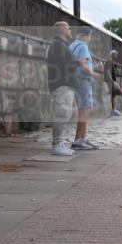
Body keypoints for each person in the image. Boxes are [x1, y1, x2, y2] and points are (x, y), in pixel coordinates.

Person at [46, 21, 79, 156]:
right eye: (69, 28)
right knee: (61, 114)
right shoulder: (58, 45)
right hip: (61, 85)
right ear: (63, 30)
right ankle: (56, 145)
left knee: (65, 114)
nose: (71, 31)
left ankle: (59, 143)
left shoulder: (61, 45)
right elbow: (60, 64)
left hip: (64, 84)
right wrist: (77, 62)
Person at [68, 27, 103, 150]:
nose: (90, 38)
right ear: (84, 35)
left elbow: (78, 64)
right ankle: (78, 140)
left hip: (76, 80)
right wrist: (94, 74)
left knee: (83, 110)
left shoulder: (72, 46)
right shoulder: (83, 46)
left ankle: (83, 138)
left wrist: (94, 66)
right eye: (90, 36)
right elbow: (83, 66)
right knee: (84, 111)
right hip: (83, 81)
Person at [105, 50, 122, 116]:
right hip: (110, 81)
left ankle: (113, 110)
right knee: (120, 92)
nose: (116, 56)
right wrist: (111, 80)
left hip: (112, 81)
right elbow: (107, 72)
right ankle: (113, 110)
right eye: (115, 54)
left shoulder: (111, 62)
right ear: (112, 55)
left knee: (113, 95)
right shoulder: (108, 62)